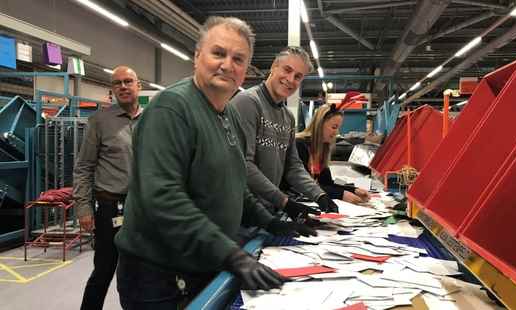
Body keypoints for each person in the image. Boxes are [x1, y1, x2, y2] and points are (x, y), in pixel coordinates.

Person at [114, 16, 315, 309]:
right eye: (218, 53)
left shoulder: (229, 114)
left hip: (201, 261)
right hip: (158, 275)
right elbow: (162, 199)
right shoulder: (171, 108)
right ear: (197, 57)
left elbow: (235, 185)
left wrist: (271, 222)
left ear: (246, 70)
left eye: (238, 59)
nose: (227, 64)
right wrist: (232, 255)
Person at [229, 46, 339, 219]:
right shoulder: (248, 103)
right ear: (274, 66)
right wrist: (284, 201)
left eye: (298, 77)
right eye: (287, 70)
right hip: (243, 213)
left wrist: (319, 195)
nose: (290, 79)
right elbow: (244, 165)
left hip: (269, 211)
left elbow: (293, 166)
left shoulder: (287, 117)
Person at [73, 66, 143, 310]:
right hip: (110, 207)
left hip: (143, 210)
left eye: (128, 81)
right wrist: (83, 207)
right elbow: (83, 167)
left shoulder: (152, 119)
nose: (123, 86)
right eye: (117, 83)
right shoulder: (99, 121)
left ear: (138, 86)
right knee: (104, 270)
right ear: (112, 90)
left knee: (139, 273)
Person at [296, 104, 371, 204]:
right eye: (334, 127)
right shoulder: (300, 145)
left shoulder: (323, 148)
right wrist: (341, 194)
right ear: (320, 124)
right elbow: (303, 187)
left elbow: (327, 183)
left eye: (338, 128)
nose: (337, 132)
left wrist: (353, 189)